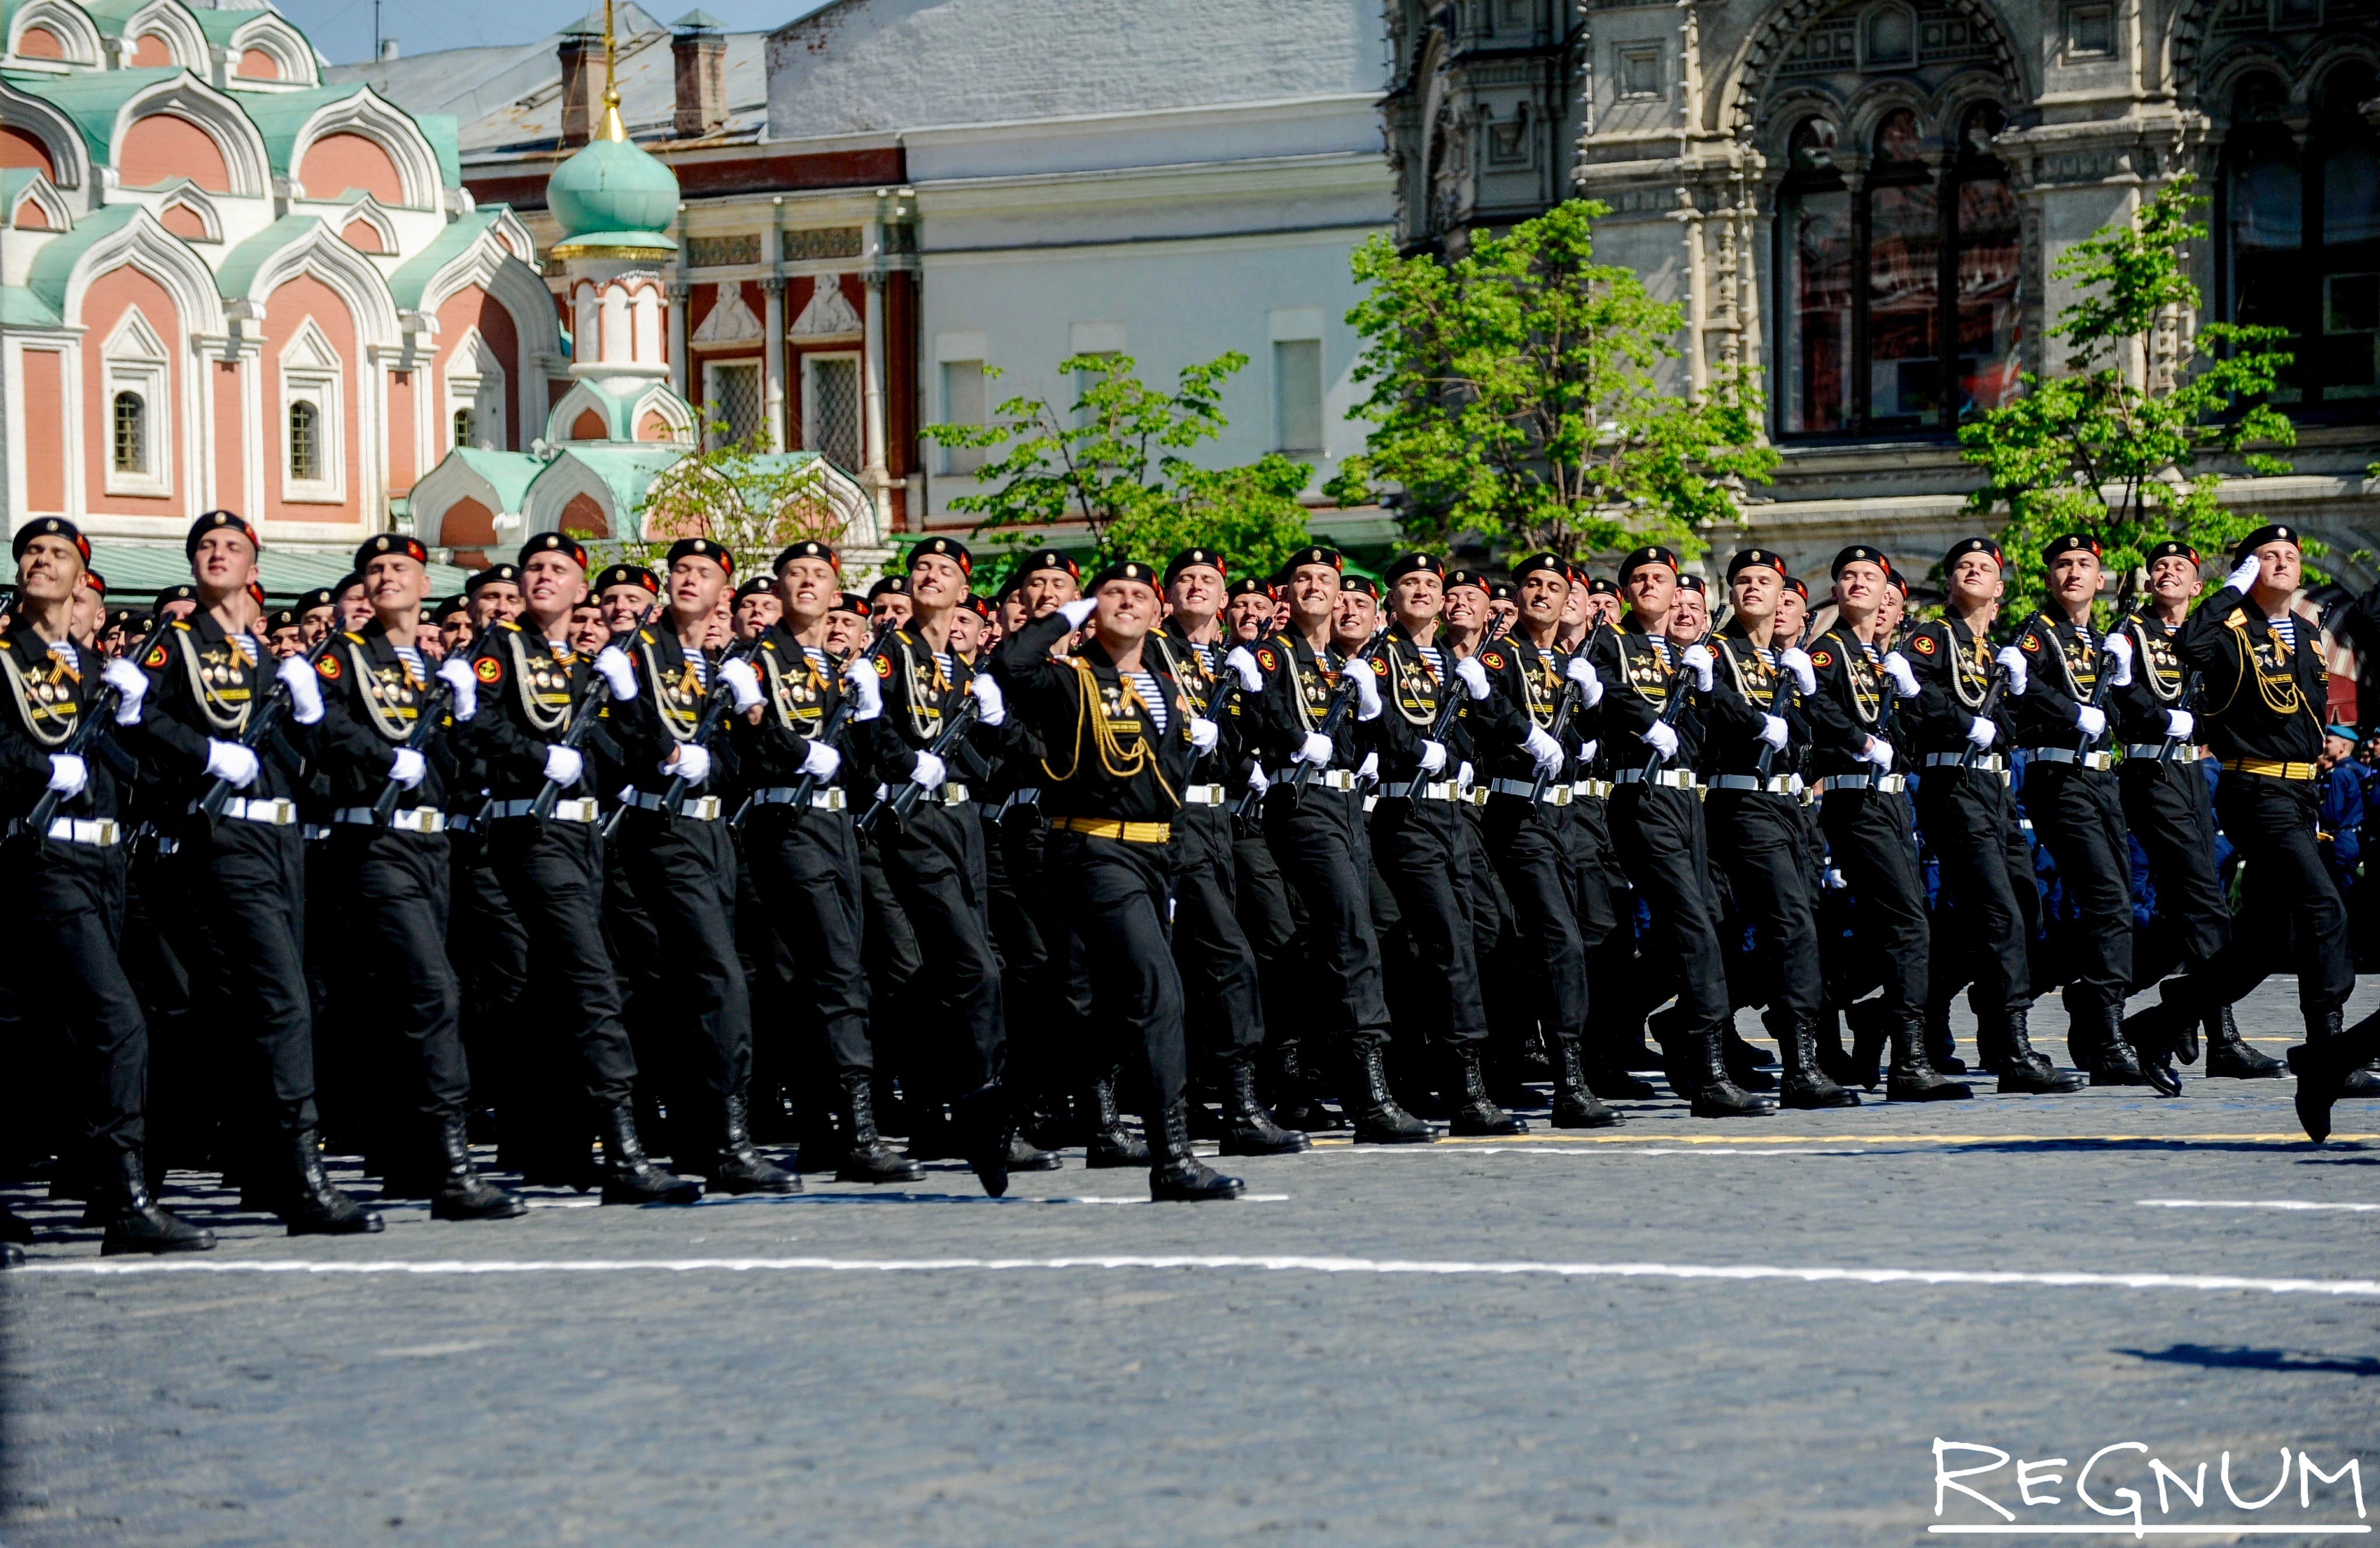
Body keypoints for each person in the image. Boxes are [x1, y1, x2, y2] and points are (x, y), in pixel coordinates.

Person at [119, 511, 385, 1232]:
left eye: (229, 546)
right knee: (282, 1000)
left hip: (281, 841)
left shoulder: (264, 655)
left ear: (254, 570)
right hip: (224, 840)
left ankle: (229, 1167)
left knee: (241, 1011)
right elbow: (131, 719)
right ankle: (301, 1175)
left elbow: (307, 748)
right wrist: (203, 755)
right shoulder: (173, 643)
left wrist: (305, 709)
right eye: (204, 546)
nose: (214, 554)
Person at [457, 532, 702, 1205]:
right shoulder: (501, 647)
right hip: (528, 829)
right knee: (593, 985)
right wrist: (538, 759)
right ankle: (623, 1151)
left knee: (552, 990)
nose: (540, 577)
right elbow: (470, 723)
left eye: (556, 569)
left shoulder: (585, 663)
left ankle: (554, 1148)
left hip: (583, 836)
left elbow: (648, 750)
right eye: (533, 567)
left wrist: (626, 696)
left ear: (578, 588)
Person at [992, 561, 1245, 1200]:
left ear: (1157, 613)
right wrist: (1065, 615)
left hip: (1156, 853)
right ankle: (1173, 1158)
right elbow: (1010, 667)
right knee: (1159, 991)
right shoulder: (1071, 680)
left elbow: (1161, 786)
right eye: (1112, 594)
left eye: (1139, 595)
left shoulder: (1165, 681)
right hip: (1093, 852)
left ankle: (995, 1108)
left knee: (1094, 1006)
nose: (1126, 603)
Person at [1, 518, 213, 1257]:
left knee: (36, 1035)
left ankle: (98, 1184)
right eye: (31, 551)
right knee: (115, 1020)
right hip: (40, 862)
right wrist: (32, 766)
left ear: (84, 579)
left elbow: (143, 780)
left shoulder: (95, 673)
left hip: (107, 866)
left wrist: (133, 717)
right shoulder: (1, 659)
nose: (40, 561)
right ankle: (125, 1201)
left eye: (57, 553)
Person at [308, 533, 525, 1220]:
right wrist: (380, 755)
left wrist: (463, 718)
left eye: (398, 568)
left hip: (433, 848)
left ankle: (404, 1156)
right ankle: (452, 1167)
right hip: (373, 842)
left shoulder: (434, 666)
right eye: (373, 571)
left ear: (423, 582)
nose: (384, 578)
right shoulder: (342, 656)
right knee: (434, 994)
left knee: (402, 1001)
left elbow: (461, 765)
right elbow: (325, 731)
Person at [607, 538, 797, 1195]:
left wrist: (751, 712)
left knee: (695, 984)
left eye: (704, 574)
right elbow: (622, 729)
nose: (689, 581)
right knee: (718, 979)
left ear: (725, 592)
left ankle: (696, 1135)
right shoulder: (639, 650)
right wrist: (664, 748)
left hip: (712, 829)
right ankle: (727, 1139)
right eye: (680, 571)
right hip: (662, 827)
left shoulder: (714, 662)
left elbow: (753, 761)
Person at [733, 539, 922, 1184]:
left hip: (837, 823)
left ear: (837, 591)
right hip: (787, 822)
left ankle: (820, 1130)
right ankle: (859, 1131)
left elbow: (868, 761)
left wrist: (872, 717)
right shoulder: (756, 659)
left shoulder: (838, 667)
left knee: (821, 977)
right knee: (838, 973)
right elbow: (755, 735)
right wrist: (792, 747)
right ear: (779, 588)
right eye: (795, 574)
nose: (807, 583)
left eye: (819, 574)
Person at [1230, 544, 1435, 1142]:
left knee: (1358, 934)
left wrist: (1372, 711)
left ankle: (1312, 1077)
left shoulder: (1339, 663)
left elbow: (1386, 735)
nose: (1316, 586)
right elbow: (1259, 716)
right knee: (1349, 934)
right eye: (1303, 578)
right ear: (1286, 593)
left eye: (1326, 578)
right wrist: (1292, 732)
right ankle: (1367, 1097)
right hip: (1300, 804)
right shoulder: (1270, 653)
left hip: (1347, 807)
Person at [855, 536, 1025, 1194]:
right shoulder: (888, 657)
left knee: (962, 968)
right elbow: (871, 742)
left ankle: (930, 1101)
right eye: (920, 568)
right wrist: (901, 758)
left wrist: (992, 721)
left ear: (963, 592)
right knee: (973, 967)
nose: (929, 576)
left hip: (962, 823)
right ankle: (985, 1104)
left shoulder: (955, 667)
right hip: (915, 824)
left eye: (944, 571)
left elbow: (985, 764)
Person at [1587, 546, 1775, 1116]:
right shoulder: (1609, 642)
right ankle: (1709, 1070)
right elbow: (1602, 688)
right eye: (1638, 579)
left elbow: (1723, 709)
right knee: (1692, 924)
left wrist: (1767, 720)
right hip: (1640, 793)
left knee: (1702, 928)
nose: (1649, 585)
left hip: (1687, 800)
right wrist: (1645, 722)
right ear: (1625, 593)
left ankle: (1619, 1037)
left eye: (1659, 579)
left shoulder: (1683, 655)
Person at [1902, 537, 2082, 1093]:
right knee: (2001, 912)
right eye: (1963, 567)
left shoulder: (1996, 653)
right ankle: (2012, 1050)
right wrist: (1962, 721)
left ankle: (1926, 1009)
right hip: (1952, 783)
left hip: (1997, 790)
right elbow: (1916, 692)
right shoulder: (1934, 637)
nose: (1974, 572)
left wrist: (2027, 692)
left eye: (1985, 568)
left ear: (2000, 590)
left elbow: (2018, 725)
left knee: (2017, 912)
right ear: (1951, 583)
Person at [1142, 548, 1308, 1155]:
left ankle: (1209, 1099)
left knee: (1211, 960)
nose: (1194, 587)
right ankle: (1234, 1104)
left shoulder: (1222, 661)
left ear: (1222, 598)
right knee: (1221, 957)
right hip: (1171, 815)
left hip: (1221, 818)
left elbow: (1250, 739)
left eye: (1205, 581)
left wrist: (1252, 699)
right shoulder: (1153, 650)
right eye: (1183, 579)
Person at [1361, 551, 1527, 1134]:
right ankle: (1466, 1091)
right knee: (1450, 945)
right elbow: (1375, 724)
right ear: (1393, 596)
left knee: (1479, 933)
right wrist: (1410, 749)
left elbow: (1487, 732)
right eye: (1408, 583)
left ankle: (1421, 1059)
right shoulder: (1378, 659)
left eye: (1430, 584)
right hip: (1407, 813)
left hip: (1457, 816)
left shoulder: (1449, 661)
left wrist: (1488, 703)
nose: (1423, 592)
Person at [1456, 551, 1624, 1124]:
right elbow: (1486, 714)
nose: (1541, 594)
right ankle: (1568, 1081)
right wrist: (1526, 734)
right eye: (1531, 584)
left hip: (1567, 817)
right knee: (1558, 940)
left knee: (1576, 935)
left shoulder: (1567, 661)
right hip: (1517, 811)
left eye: (1553, 586)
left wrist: (1595, 704)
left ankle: (1543, 1062)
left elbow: (1593, 739)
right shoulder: (1499, 655)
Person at [1803, 544, 1970, 1101]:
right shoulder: (1828, 652)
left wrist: (1912, 692)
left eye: (1868, 577)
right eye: (1846, 576)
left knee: (1902, 925)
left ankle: (1855, 1019)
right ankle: (1909, 1060)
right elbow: (1818, 712)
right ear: (1835, 592)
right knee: (1908, 924)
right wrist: (1860, 741)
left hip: (1893, 802)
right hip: (1857, 801)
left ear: (1886, 593)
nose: (1857, 583)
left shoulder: (1880, 655)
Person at [2111, 540, 2282, 1079]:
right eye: (2159, 567)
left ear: (2197, 587)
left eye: (2179, 568)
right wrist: (2165, 721)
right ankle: (2222, 1039)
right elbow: (2120, 694)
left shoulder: (2208, 639)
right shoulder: (2129, 631)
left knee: (2185, 910)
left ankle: (2110, 1001)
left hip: (2192, 773)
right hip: (2150, 771)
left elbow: (2223, 702)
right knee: (2206, 904)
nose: (2167, 573)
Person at [1701, 548, 1858, 1108]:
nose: (1751, 589)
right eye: (1741, 580)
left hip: (1791, 809)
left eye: (1762, 581)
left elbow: (1815, 734)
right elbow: (1713, 705)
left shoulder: (1785, 660)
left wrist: (1812, 696)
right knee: (1791, 924)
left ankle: (1724, 1039)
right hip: (1741, 803)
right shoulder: (1716, 652)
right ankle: (1801, 1065)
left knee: (1802, 927)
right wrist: (1754, 721)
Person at [2007, 534, 2153, 1086]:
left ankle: (2048, 993)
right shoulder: (2036, 635)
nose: (2073, 573)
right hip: (2059, 776)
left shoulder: (2103, 640)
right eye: (2063, 565)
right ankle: (2107, 1032)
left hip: (2102, 779)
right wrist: (2071, 711)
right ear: (2050, 578)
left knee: (2114, 901)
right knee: (2109, 900)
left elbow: (2119, 708)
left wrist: (2120, 685)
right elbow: (2020, 691)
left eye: (2084, 565)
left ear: (2101, 579)